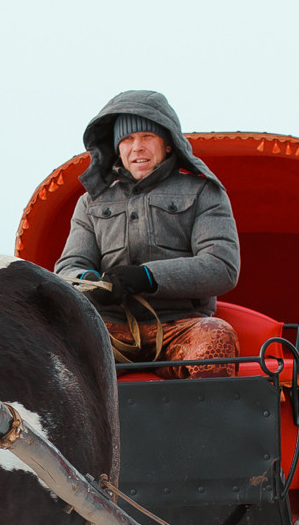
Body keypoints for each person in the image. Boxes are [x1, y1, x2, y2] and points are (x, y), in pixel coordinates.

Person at [54, 91, 242, 378]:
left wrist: (147, 277)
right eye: (127, 140)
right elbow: (67, 269)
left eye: (146, 137)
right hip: (110, 332)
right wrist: (91, 283)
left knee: (216, 338)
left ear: (167, 144)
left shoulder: (205, 192)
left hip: (180, 328)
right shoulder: (90, 203)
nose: (137, 147)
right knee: (56, 344)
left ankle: (202, 423)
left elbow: (222, 267)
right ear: (117, 148)